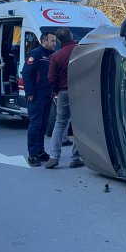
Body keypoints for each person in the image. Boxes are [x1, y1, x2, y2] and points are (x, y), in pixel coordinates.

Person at [45, 27, 84, 169]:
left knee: (60, 123)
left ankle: (54, 157)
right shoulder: (80, 51)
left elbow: (51, 78)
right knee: (79, 124)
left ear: (59, 40)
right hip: (80, 91)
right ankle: (75, 158)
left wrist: (55, 90)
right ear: (71, 36)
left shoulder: (56, 56)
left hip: (63, 92)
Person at [22, 32, 57, 167]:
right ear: (44, 41)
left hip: (47, 94)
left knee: (43, 125)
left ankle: (40, 151)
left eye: (55, 41)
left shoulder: (51, 55)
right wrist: (29, 92)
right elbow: (27, 73)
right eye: (52, 41)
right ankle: (33, 154)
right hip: (36, 95)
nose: (54, 43)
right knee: (35, 125)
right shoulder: (35, 54)